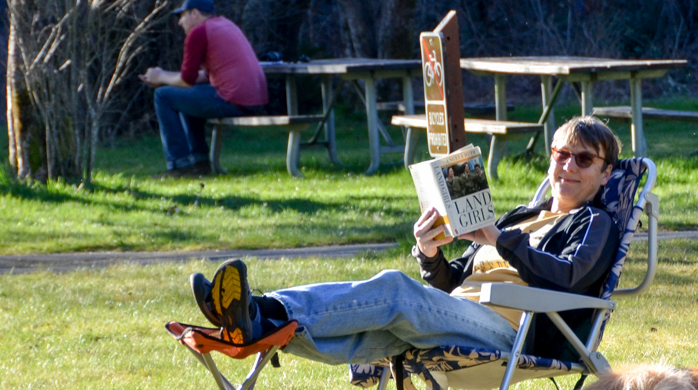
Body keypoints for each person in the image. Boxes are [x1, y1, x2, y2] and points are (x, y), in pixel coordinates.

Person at [189, 115, 622, 365]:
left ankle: (259, 310)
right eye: (561, 154)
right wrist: (430, 253)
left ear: (604, 174)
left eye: (583, 159)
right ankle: (252, 327)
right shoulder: (524, 216)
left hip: (510, 331)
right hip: (459, 312)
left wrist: (500, 239)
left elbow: (567, 278)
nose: (568, 166)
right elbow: (451, 284)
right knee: (371, 335)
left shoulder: (595, 223)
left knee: (395, 290)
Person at [140, 0, 268, 177]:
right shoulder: (225, 25)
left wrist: (160, 76)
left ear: (195, 14)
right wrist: (165, 76)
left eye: (182, 16)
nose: (180, 23)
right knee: (183, 95)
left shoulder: (198, 32)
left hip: (234, 100)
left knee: (163, 96)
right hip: (253, 99)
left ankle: (179, 166)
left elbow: (186, 80)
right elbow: (200, 78)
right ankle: (199, 163)